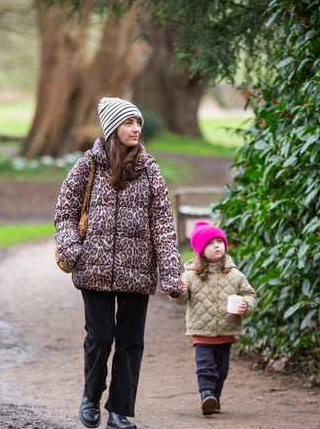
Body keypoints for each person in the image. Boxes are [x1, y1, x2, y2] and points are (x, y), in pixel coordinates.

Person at [54, 97, 182, 429]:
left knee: (131, 342)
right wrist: (72, 250)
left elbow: (163, 226)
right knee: (100, 338)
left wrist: (171, 274)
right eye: (129, 123)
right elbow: (65, 211)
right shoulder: (88, 165)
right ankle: (90, 396)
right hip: (93, 271)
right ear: (113, 128)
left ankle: (120, 412)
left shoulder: (150, 169)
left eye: (138, 122)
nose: (136, 128)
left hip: (137, 274)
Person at [170, 221, 257, 417]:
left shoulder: (235, 274)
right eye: (210, 243)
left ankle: (214, 399)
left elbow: (250, 294)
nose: (217, 245)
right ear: (201, 250)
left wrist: (245, 305)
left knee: (222, 370)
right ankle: (206, 394)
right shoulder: (191, 275)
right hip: (201, 331)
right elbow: (181, 300)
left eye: (220, 241)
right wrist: (177, 292)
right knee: (206, 367)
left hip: (227, 330)